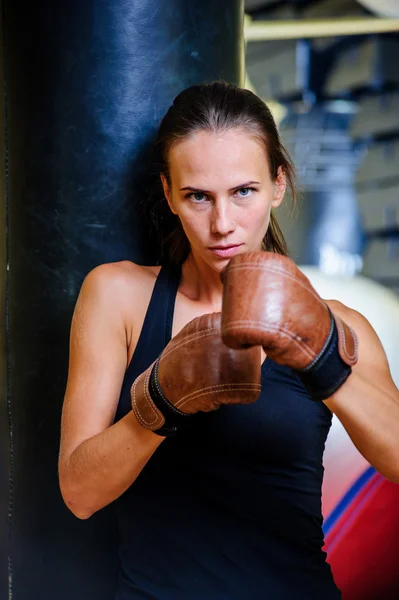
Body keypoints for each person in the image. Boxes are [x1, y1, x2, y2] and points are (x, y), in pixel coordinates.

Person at [59, 81, 399, 600]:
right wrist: (163, 402)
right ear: (170, 193)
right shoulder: (119, 296)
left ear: (277, 185)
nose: (223, 224)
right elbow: (79, 493)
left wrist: (324, 358)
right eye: (199, 196)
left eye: (244, 191)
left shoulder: (337, 323)